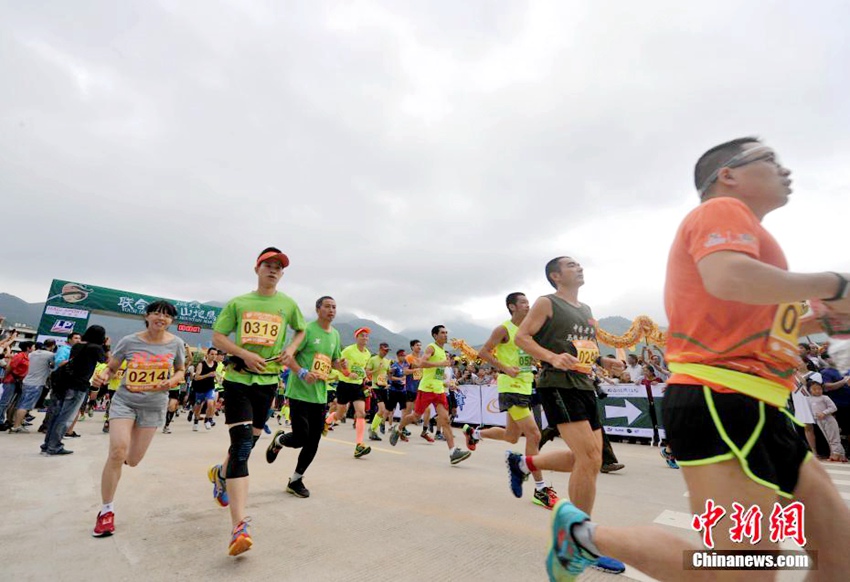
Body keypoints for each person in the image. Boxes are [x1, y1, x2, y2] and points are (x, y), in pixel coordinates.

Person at [548, 138, 850, 580]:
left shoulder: (752, 240)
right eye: (770, 160)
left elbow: (748, 324)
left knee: (838, 554)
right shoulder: (721, 211)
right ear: (728, 174)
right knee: (744, 571)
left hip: (761, 404)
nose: (785, 170)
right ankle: (583, 536)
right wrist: (836, 284)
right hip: (719, 399)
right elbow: (729, 278)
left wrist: (818, 320)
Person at [503, 257, 625, 575]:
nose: (579, 268)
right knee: (588, 458)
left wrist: (604, 361)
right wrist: (551, 357)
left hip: (583, 385)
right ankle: (579, 543)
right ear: (556, 276)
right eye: (571, 265)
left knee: (589, 459)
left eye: (579, 264)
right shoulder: (546, 303)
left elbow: (584, 349)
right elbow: (522, 337)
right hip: (557, 385)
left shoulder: (585, 311)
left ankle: (522, 463)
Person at [207, 247, 306, 556]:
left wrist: (291, 349)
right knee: (241, 447)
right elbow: (218, 337)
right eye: (268, 265)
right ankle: (239, 526)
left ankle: (220, 474)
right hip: (238, 381)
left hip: (267, 383)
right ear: (257, 269)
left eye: (279, 267)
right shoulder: (239, 303)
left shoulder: (287, 304)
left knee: (247, 444)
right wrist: (245, 353)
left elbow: (301, 330)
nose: (273, 270)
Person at [90, 300, 186, 537]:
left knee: (132, 460)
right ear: (146, 316)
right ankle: (106, 511)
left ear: (171, 321)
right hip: (126, 401)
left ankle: (122, 460)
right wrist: (102, 375)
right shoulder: (129, 341)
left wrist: (173, 382)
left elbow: (181, 370)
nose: (160, 318)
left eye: (166, 315)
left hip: (153, 407)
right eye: (156, 313)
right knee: (117, 452)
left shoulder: (176, 344)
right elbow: (112, 368)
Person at [463, 292, 558, 509]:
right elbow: (483, 352)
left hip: (526, 386)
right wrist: (505, 367)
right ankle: (541, 489)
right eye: (523, 302)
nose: (528, 305)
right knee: (534, 434)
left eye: (528, 302)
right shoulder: (504, 329)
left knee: (511, 436)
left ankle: (474, 433)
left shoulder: (530, 330)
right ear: (512, 306)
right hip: (510, 387)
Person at [265, 296, 348, 497]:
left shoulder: (335, 334)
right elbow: (288, 355)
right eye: (327, 306)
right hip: (300, 392)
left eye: (334, 307)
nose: (332, 310)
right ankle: (280, 441)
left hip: (320, 395)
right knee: (301, 437)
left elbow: (333, 360)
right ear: (318, 309)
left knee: (313, 442)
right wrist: (302, 372)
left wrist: (341, 365)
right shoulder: (307, 330)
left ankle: (295, 480)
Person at [389, 325, 472, 465]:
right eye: (442, 333)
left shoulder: (442, 350)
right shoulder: (431, 347)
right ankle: (398, 428)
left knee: (445, 419)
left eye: (446, 332)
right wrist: (440, 363)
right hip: (426, 388)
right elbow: (421, 363)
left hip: (439, 389)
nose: (445, 335)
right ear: (435, 335)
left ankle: (453, 452)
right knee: (415, 416)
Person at [40, 326, 108, 455]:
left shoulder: (77, 346)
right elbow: (105, 360)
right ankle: (54, 446)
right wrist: (106, 346)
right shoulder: (95, 348)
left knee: (56, 415)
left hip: (62, 382)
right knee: (65, 417)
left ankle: (47, 444)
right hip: (77, 385)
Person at [325, 327, 373, 458]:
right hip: (344, 385)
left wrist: (365, 378)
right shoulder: (348, 351)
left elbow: (361, 369)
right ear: (356, 337)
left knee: (361, 413)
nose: (365, 338)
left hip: (357, 387)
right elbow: (339, 365)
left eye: (366, 336)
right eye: (362, 335)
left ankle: (359, 445)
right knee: (340, 414)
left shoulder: (367, 353)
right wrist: (347, 373)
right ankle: (327, 421)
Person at [9, 340, 55, 433]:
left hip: (27, 381)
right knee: (25, 405)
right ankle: (16, 426)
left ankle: (15, 423)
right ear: (53, 346)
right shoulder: (50, 355)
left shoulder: (32, 354)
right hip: (36, 384)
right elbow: (54, 365)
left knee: (20, 404)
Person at [807, 372, 847, 462]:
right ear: (810, 390)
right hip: (819, 421)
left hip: (828, 419)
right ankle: (841, 455)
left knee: (834, 438)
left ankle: (835, 454)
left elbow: (833, 408)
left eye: (819, 389)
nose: (817, 391)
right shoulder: (809, 399)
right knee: (828, 438)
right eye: (814, 389)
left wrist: (824, 413)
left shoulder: (825, 398)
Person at [366, 342, 392, 440]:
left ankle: (373, 429)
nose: (386, 352)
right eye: (385, 350)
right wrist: (376, 370)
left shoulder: (387, 361)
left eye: (387, 351)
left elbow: (388, 373)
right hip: (375, 387)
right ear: (380, 349)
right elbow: (367, 372)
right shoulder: (373, 359)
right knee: (381, 409)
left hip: (383, 387)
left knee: (384, 411)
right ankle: (372, 430)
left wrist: (389, 379)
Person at [192, 348, 219, 432]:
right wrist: (207, 375)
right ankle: (196, 421)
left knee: (211, 403)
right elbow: (196, 377)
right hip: (200, 389)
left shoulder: (215, 364)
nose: (214, 356)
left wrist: (217, 378)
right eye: (212, 354)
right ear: (207, 354)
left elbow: (213, 374)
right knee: (198, 408)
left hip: (210, 388)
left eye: (215, 354)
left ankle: (207, 420)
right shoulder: (201, 364)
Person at [387, 349, 409, 431]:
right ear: (398, 356)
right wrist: (399, 379)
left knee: (404, 409)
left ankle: (402, 426)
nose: (403, 357)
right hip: (394, 390)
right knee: (392, 410)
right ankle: (390, 425)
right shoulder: (394, 366)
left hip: (403, 390)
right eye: (401, 356)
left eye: (404, 355)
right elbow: (390, 377)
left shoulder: (406, 365)